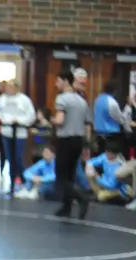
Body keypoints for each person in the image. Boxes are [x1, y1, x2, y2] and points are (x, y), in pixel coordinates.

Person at [52, 69, 90, 218]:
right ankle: (66, 207)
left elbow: (60, 121)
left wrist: (51, 120)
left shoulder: (61, 99)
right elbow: (87, 125)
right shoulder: (82, 101)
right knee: (70, 175)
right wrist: (87, 145)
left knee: (62, 177)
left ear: (66, 81)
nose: (56, 84)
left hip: (65, 140)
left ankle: (82, 197)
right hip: (78, 141)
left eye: (58, 81)